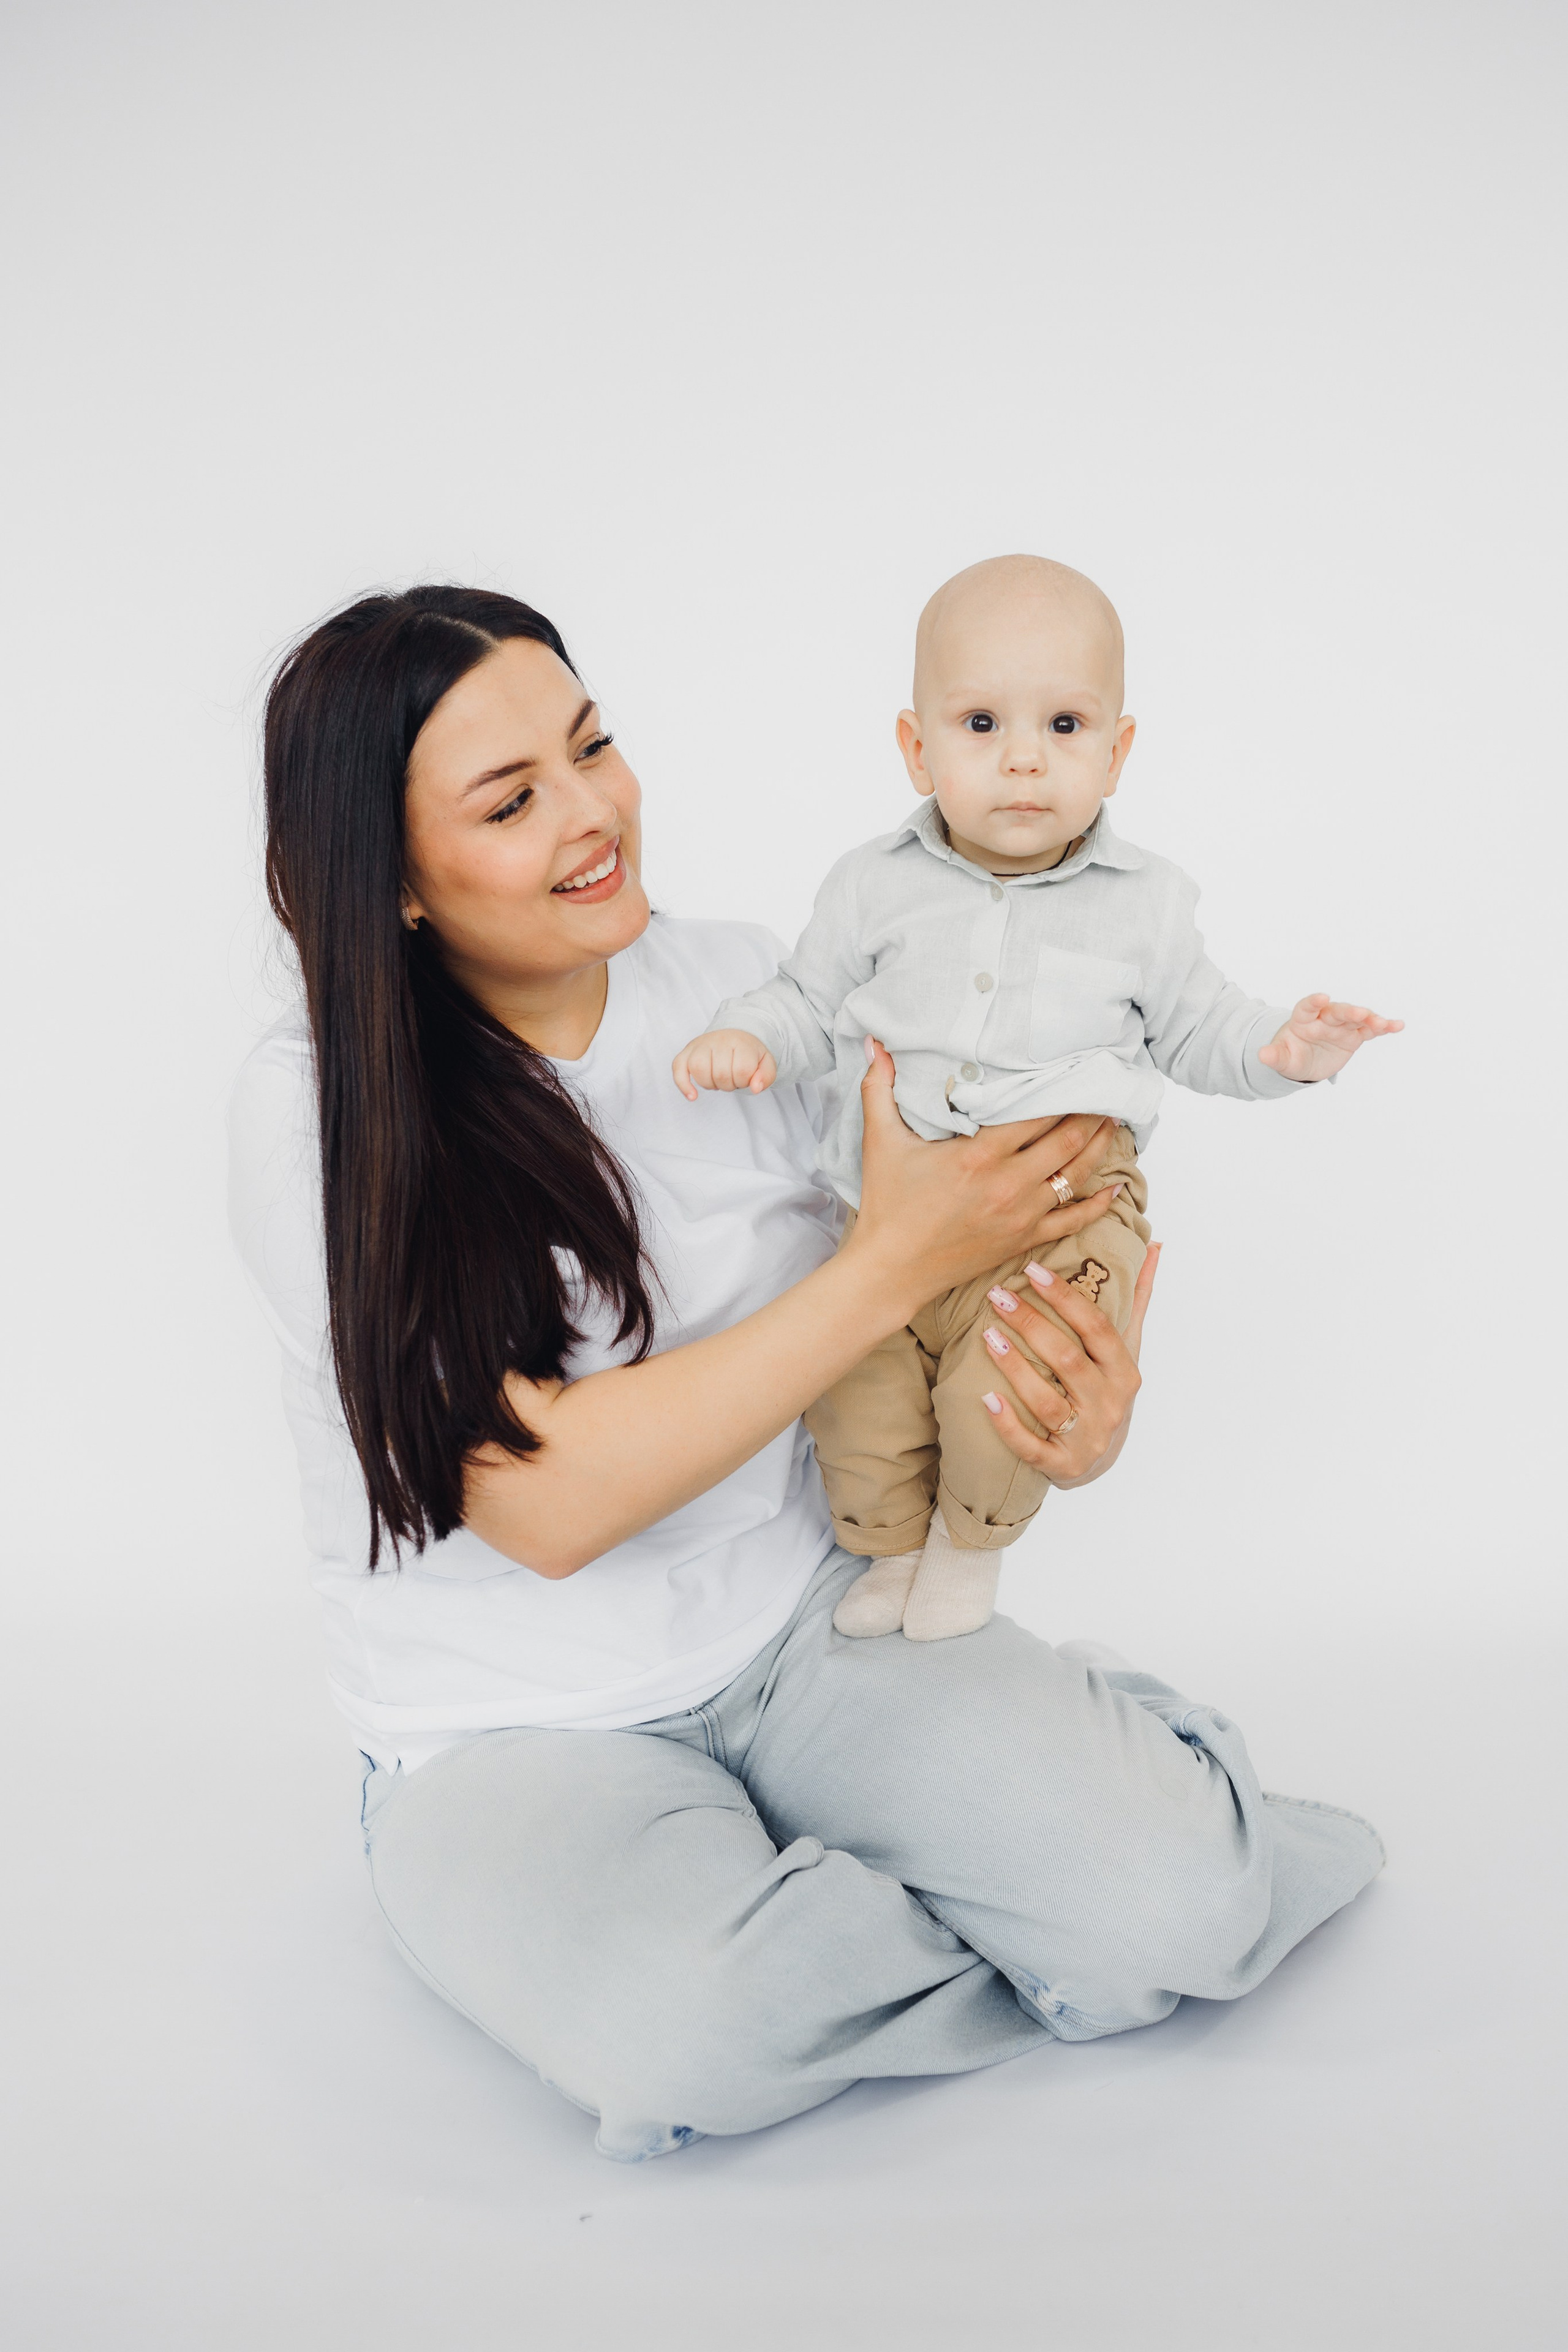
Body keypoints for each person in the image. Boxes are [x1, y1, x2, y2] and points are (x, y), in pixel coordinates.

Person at [229, 584, 1384, 2163]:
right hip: (510, 1732)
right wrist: (894, 1261)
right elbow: (543, 1504)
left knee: (1178, 1909)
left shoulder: (748, 994)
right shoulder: (318, 1107)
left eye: (592, 748)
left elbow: (933, 1297)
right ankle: (968, 1896)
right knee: (686, 2040)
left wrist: (1066, 1409)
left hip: (809, 1629)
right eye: (509, 802)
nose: (591, 814)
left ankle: (1044, 1845)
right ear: (394, 881)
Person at [675, 555, 1403, 1640]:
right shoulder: (872, 884)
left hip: (1062, 1209)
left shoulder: (1147, 904)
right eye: (981, 724)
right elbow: (806, 1000)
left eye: (1065, 725)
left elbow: (1202, 1030)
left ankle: (968, 1548)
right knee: (855, 1393)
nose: (1024, 759)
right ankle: (890, 1548)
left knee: (1017, 1385)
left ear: (1117, 752)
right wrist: (747, 1037)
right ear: (916, 747)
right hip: (889, 1207)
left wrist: (1287, 1050)